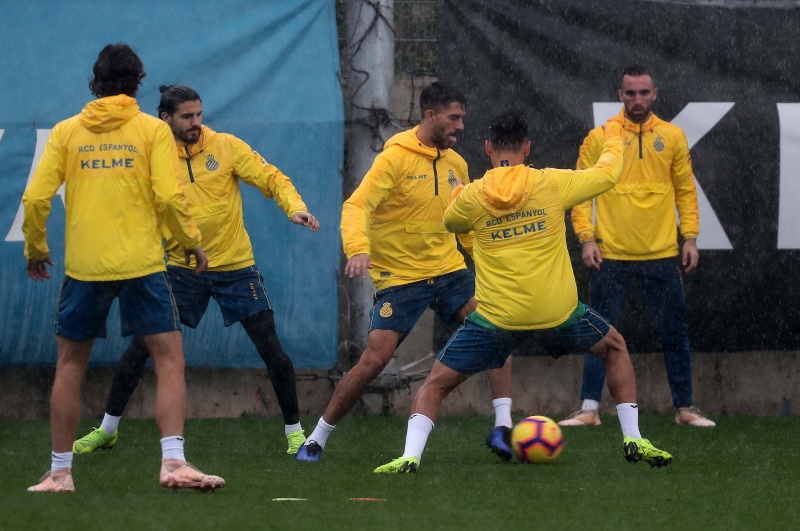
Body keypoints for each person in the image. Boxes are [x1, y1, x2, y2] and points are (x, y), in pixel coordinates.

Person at [374, 110, 673, 474]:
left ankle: (410, 456)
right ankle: (633, 438)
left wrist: (460, 200)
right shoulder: (551, 183)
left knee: (434, 385)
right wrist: (611, 136)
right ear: (527, 148)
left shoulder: (472, 196)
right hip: (557, 312)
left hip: (497, 319)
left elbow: (451, 221)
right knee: (615, 347)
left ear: (487, 148)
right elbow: (608, 174)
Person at [72, 85, 320, 457]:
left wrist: (294, 207)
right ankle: (107, 431)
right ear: (165, 118)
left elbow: (272, 178)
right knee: (141, 347)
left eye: (199, 114)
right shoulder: (153, 156)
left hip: (236, 268)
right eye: (187, 116)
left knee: (272, 350)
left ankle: (295, 435)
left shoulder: (225, 146)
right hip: (182, 269)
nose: (196, 122)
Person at [22, 44, 224, 492]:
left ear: (95, 82)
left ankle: (60, 473)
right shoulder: (152, 131)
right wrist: (190, 242)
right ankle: (173, 463)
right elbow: (169, 197)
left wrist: (36, 248)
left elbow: (35, 199)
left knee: (70, 364)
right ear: (138, 82)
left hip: (85, 266)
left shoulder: (67, 132)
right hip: (142, 264)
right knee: (169, 359)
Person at [296, 82, 515, 462]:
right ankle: (317, 438)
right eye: (454, 118)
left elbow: (463, 220)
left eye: (462, 118)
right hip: (401, 278)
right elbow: (356, 207)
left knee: (497, 327)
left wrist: (483, 256)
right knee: (374, 360)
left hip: (449, 271)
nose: (461, 126)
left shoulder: (456, 164)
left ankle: (503, 427)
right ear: (430, 116)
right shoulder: (394, 158)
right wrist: (358, 248)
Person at [559, 64, 715, 429]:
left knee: (674, 331)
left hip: (661, 254)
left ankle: (685, 408)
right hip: (610, 254)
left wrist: (690, 237)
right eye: (630, 93)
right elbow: (580, 191)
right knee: (599, 333)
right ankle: (589, 409)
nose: (638, 99)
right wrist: (586, 238)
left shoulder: (672, 136)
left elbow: (685, 189)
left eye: (644, 92)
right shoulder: (601, 136)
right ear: (620, 95)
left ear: (655, 94)